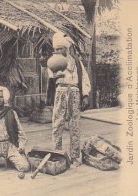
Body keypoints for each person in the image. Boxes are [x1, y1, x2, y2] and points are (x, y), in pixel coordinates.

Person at [46, 32, 91, 167]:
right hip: (61, 92)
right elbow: (51, 78)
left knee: (75, 125)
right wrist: (55, 75)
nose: (57, 51)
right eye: (56, 49)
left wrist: (86, 95)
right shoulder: (53, 62)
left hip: (75, 93)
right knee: (57, 124)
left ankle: (75, 156)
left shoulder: (76, 61)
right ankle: (57, 154)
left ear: (67, 48)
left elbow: (84, 78)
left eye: (60, 49)